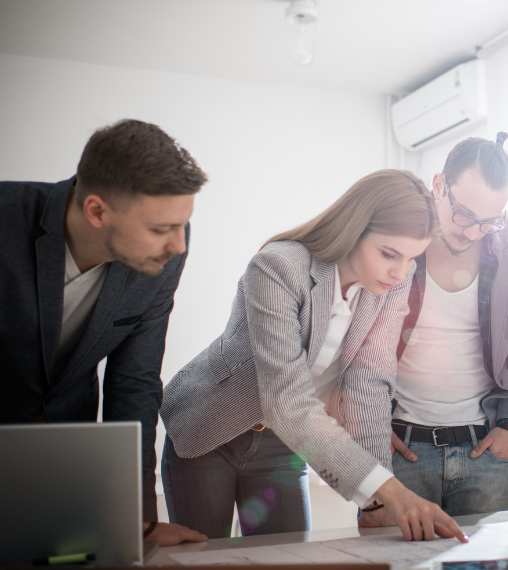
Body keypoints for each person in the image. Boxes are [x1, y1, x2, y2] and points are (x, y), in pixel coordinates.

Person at [160, 169, 467, 543]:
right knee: (204, 560)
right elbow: (287, 400)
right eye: (389, 254)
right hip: (211, 430)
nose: (400, 271)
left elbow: (368, 383)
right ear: (355, 228)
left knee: (290, 561)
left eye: (410, 259)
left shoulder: (392, 283)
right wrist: (392, 491)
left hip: (283, 443)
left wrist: (376, 502)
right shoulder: (278, 266)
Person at [0, 119, 209, 545]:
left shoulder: (165, 251)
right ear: (96, 210)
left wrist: (137, 521)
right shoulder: (7, 217)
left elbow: (134, 383)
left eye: (181, 224)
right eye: (159, 229)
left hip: (66, 459)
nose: (178, 246)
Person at [361, 133, 508, 522]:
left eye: (489, 222)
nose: (472, 231)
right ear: (439, 185)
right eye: (463, 214)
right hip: (399, 448)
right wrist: (370, 428)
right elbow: (359, 343)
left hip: (485, 451)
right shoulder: (398, 236)